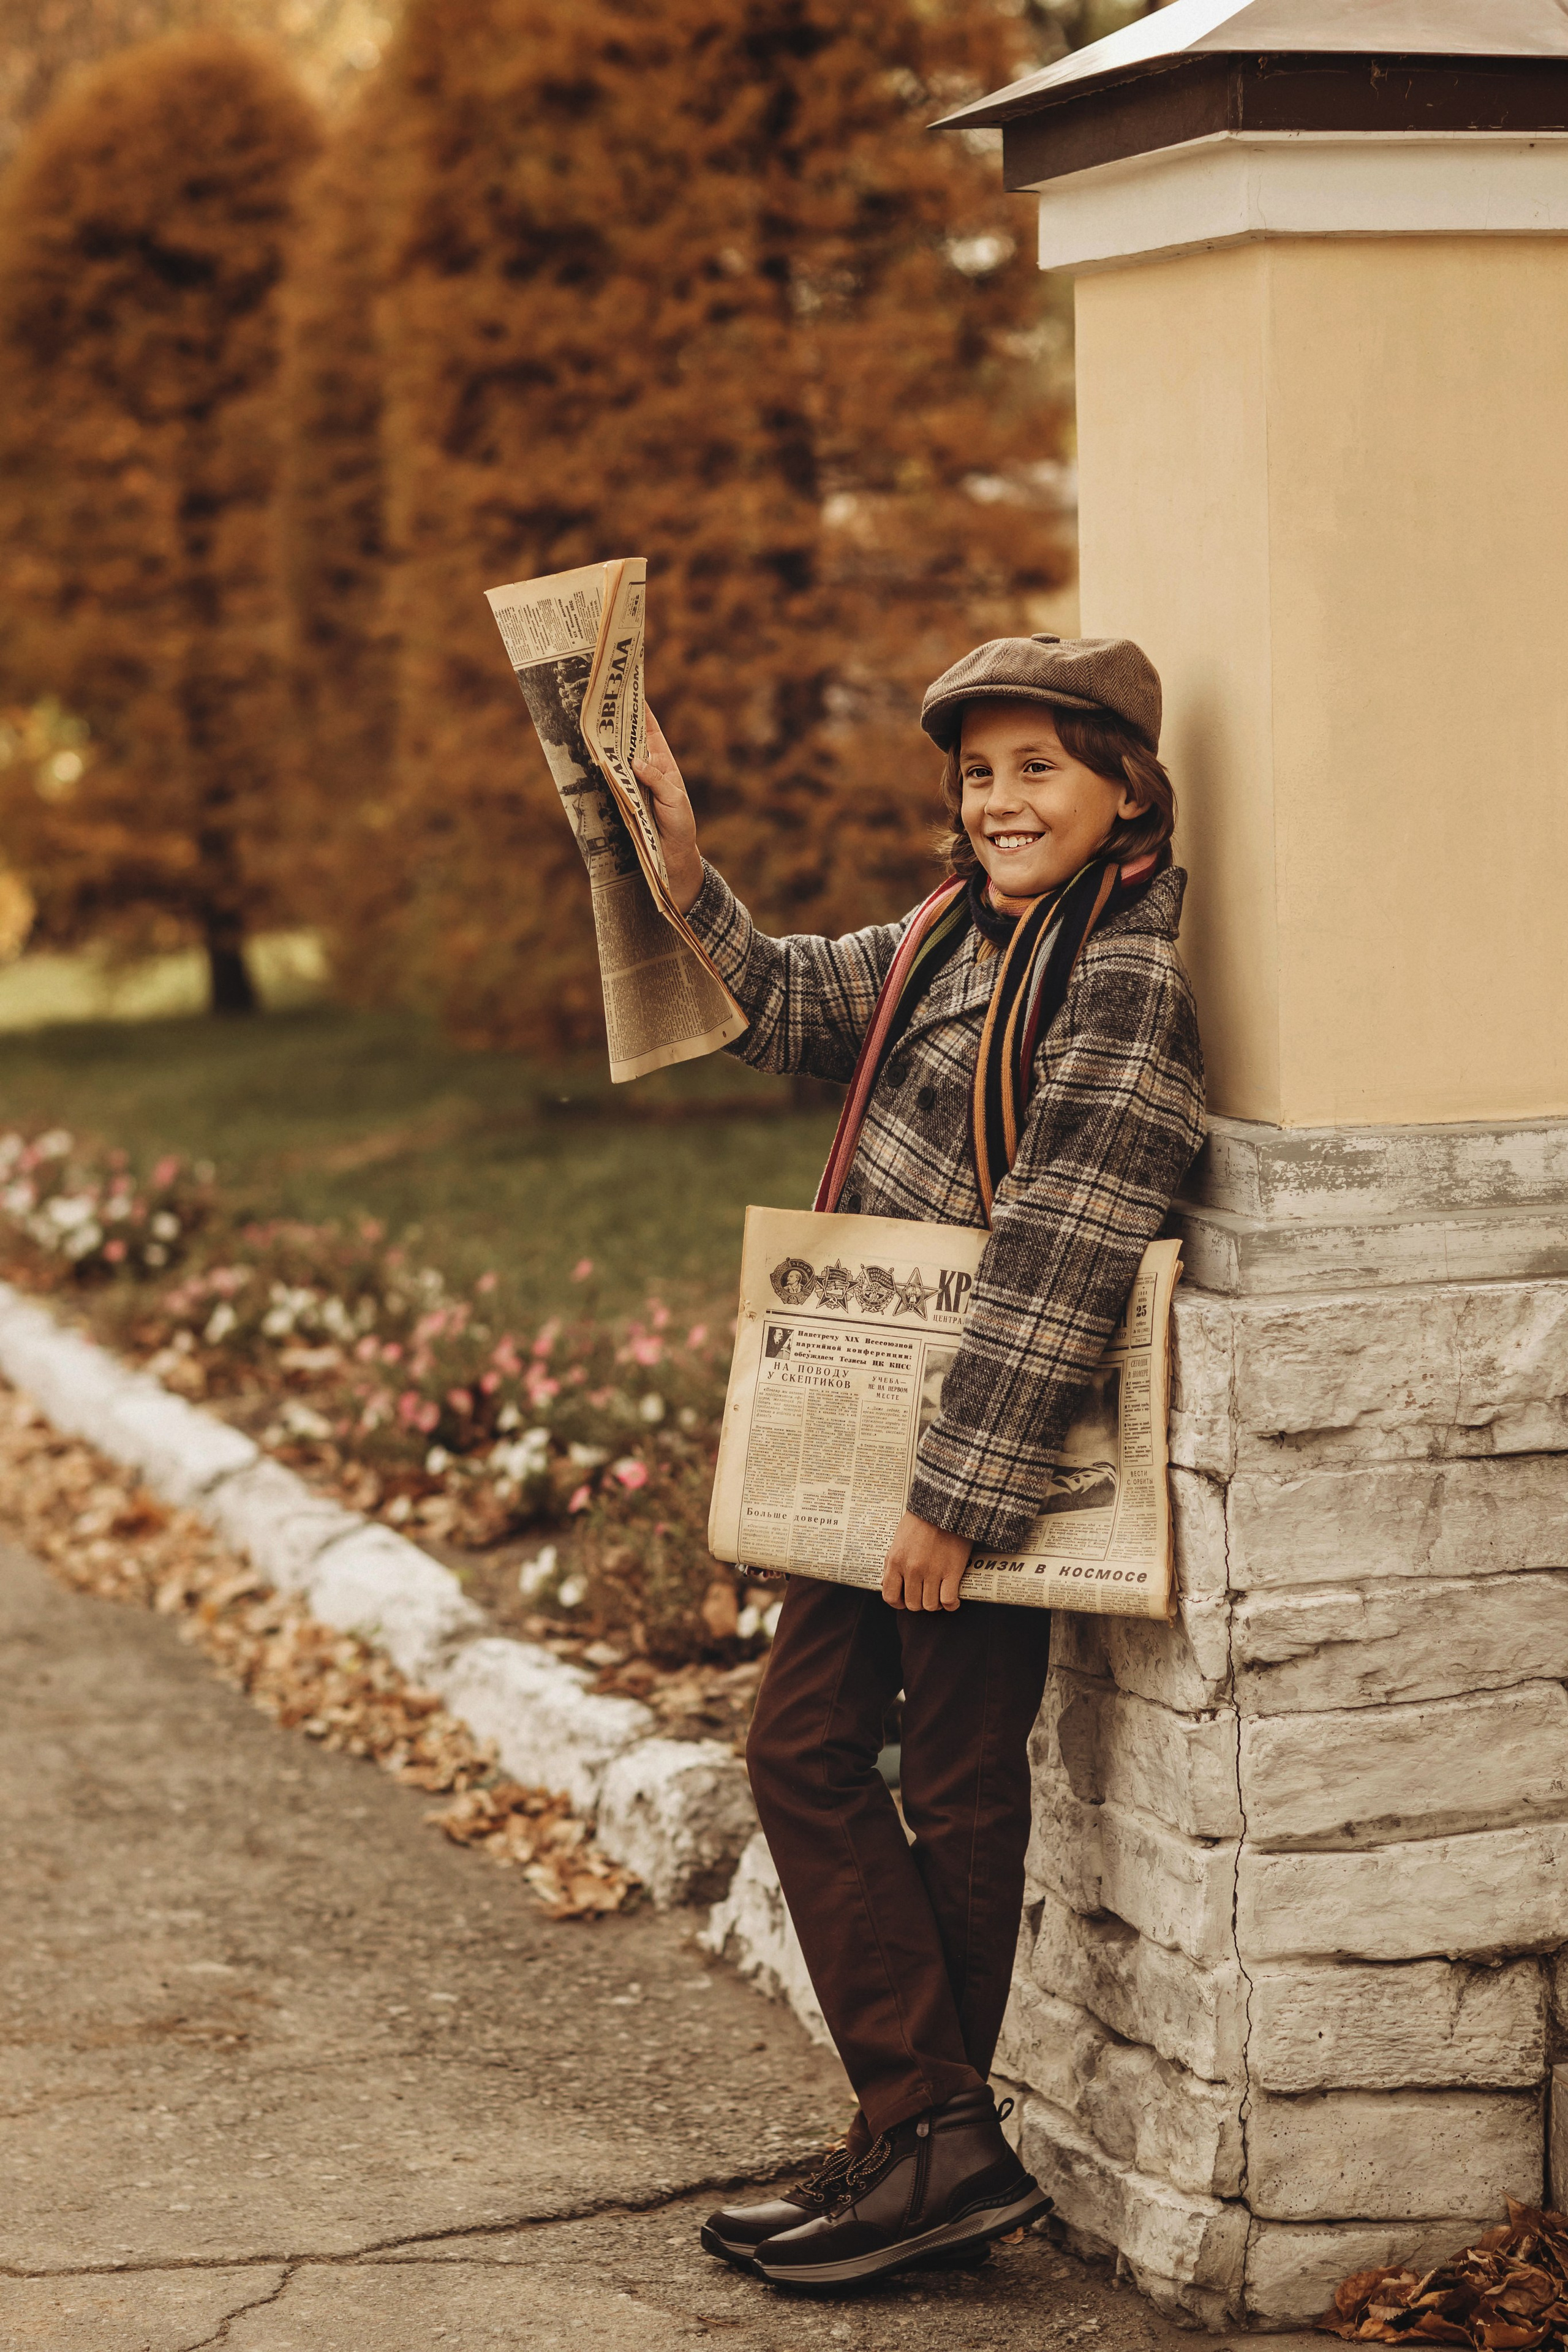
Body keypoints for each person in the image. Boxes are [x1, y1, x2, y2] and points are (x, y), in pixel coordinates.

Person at [631, 634, 1205, 2291]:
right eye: (978, 772)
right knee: (807, 1746)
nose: (1003, 799)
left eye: (1040, 767)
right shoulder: (958, 929)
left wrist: (956, 1501)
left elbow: (1068, 1244)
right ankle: (929, 2134)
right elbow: (798, 1002)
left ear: (1123, 784)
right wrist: (683, 859)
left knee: (944, 1777)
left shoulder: (1122, 972)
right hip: (881, 1423)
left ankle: (923, 2149)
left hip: (974, 1445)